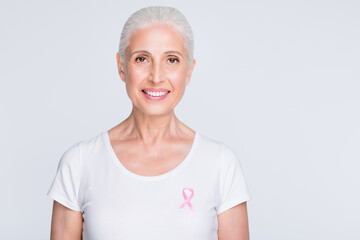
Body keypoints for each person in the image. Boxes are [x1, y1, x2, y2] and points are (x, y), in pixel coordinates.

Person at [47, 6, 251, 240]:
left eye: (172, 60)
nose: (156, 76)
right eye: (142, 59)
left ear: (189, 71)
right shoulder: (80, 162)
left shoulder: (221, 164)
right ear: (121, 66)